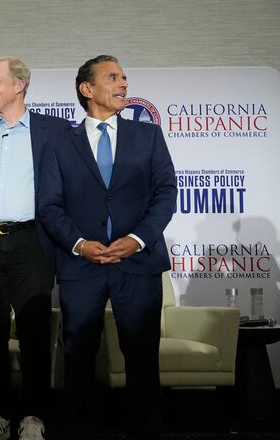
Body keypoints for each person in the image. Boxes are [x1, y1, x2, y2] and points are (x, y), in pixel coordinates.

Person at [38, 55, 177, 439]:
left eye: (125, 77)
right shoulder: (59, 143)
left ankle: (145, 430)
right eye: (113, 77)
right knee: (78, 356)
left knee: (142, 356)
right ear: (87, 89)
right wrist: (79, 244)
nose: (123, 84)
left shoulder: (147, 135)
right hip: (81, 265)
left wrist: (136, 239)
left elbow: (166, 193)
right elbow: (48, 205)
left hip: (139, 261)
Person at [0, 58, 70, 440]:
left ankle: (34, 417)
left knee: (35, 333)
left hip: (31, 242)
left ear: (20, 85)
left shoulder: (55, 131)